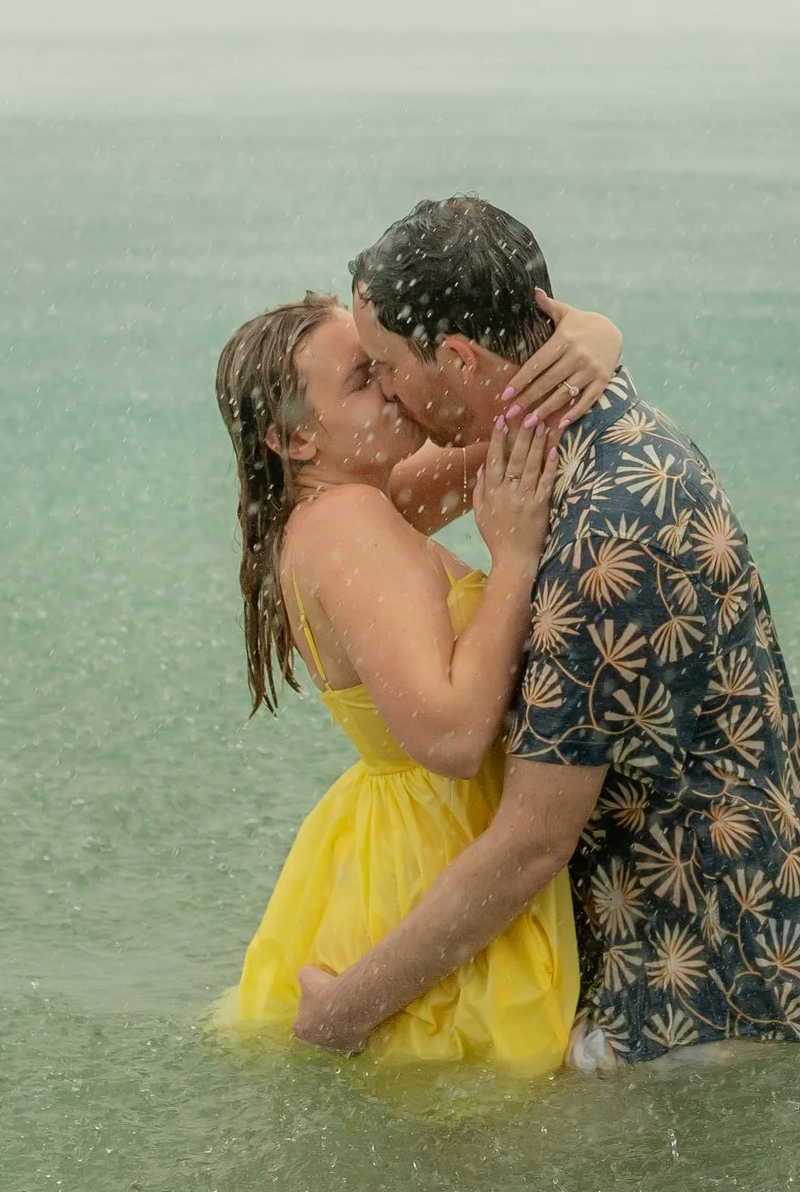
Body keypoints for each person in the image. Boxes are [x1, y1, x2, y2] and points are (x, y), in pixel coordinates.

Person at [292, 195, 800, 1068]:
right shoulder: (577, 427)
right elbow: (370, 510)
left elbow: (529, 844)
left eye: (388, 366)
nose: (389, 386)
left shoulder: (604, 530)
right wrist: (596, 334)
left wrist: (341, 1013)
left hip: (686, 997)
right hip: (745, 936)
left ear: (457, 356)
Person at [207, 287, 619, 1072]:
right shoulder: (348, 529)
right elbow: (455, 736)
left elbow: (512, 438)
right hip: (432, 854)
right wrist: (515, 559)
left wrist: (593, 337)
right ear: (293, 439)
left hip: (390, 840)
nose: (397, 384)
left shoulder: (354, 500)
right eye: (366, 377)